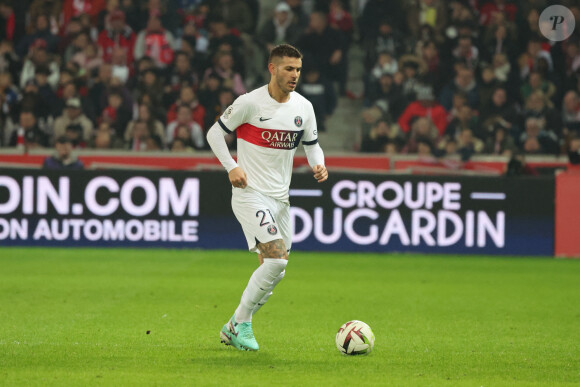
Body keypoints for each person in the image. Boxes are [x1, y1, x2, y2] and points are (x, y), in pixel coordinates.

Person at [206, 44, 328, 352]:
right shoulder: (249, 103)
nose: (295, 75)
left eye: (298, 69)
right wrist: (231, 166)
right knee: (275, 258)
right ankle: (241, 324)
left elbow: (312, 144)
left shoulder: (303, 107)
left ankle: (233, 324)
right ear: (272, 69)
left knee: (277, 268)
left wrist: (318, 162)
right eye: (289, 68)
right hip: (250, 194)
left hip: (280, 200)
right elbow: (214, 134)